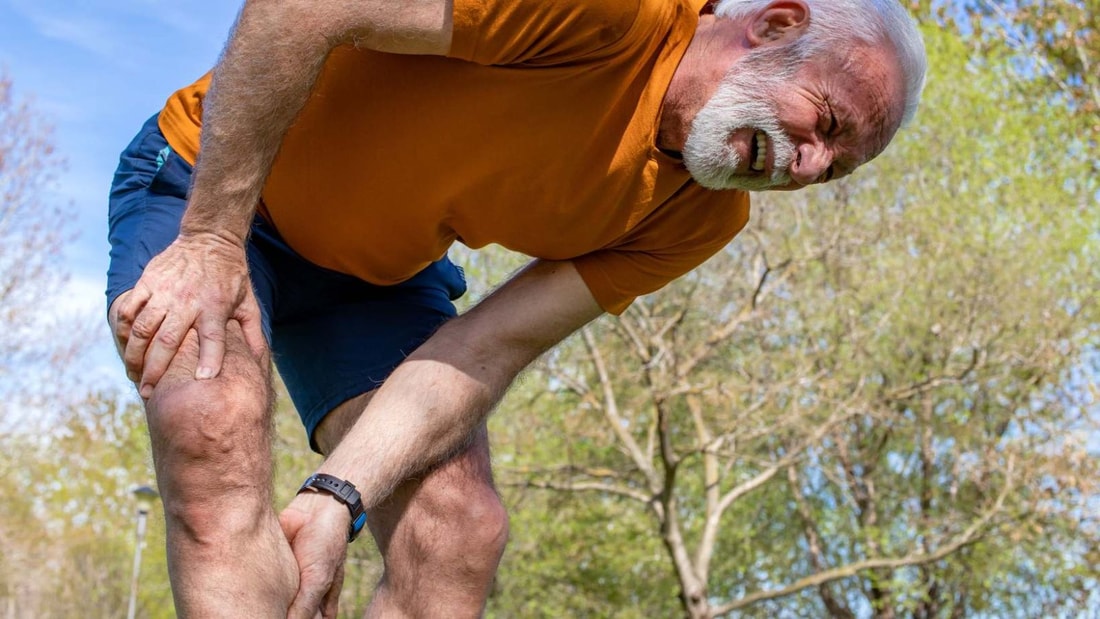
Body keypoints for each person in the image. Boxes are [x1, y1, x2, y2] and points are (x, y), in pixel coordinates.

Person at [106, 0, 925, 616]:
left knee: (458, 525)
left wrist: (337, 496)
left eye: (834, 170)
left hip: (375, 275)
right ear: (776, 25)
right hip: (212, 183)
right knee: (206, 414)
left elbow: (485, 351)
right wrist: (212, 237)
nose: (808, 168)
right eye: (824, 122)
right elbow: (303, 8)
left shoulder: (699, 216)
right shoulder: (612, 16)